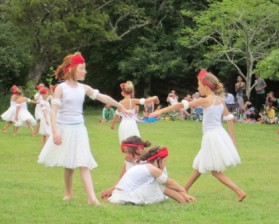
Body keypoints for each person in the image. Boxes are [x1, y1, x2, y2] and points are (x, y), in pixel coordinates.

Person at [38, 52, 129, 206]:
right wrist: (54, 132)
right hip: (64, 129)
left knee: (84, 162)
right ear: (72, 69)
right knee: (69, 165)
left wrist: (119, 105)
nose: (85, 71)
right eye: (82, 68)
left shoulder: (84, 88)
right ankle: (68, 193)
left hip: (79, 129)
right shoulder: (61, 88)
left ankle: (91, 198)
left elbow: (103, 98)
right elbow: (53, 110)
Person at [150, 69, 246, 202]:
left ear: (206, 87)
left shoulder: (206, 100)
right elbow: (229, 118)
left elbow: (181, 105)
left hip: (211, 137)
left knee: (215, 171)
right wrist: (232, 139)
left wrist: (159, 111)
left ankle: (239, 192)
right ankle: (184, 191)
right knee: (198, 167)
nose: (198, 88)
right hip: (218, 134)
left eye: (199, 85)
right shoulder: (219, 100)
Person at [108, 146, 196, 205]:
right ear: (159, 160)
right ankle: (183, 201)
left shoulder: (144, 165)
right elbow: (170, 183)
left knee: (159, 185)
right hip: (126, 196)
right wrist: (184, 192)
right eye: (165, 161)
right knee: (159, 186)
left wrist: (183, 193)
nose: (165, 164)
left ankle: (183, 200)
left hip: (118, 195)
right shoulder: (152, 169)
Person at [101, 135, 152, 200]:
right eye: (125, 153)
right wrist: (112, 189)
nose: (127, 155)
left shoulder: (148, 162)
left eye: (129, 153)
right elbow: (121, 178)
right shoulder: (128, 161)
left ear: (139, 149)